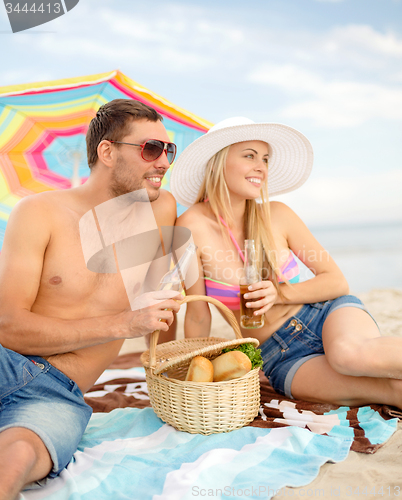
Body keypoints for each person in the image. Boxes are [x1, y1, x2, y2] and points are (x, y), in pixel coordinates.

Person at [0, 99, 181, 499]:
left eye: (169, 150)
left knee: (16, 460)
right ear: (107, 152)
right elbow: (9, 327)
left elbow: (166, 307)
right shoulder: (39, 212)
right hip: (5, 361)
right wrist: (124, 324)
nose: (164, 162)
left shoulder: (161, 210)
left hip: (59, 392)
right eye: (151, 149)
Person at [172, 116, 402, 410]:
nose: (261, 167)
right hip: (279, 355)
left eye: (265, 159)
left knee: (348, 355)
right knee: (391, 390)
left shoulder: (278, 214)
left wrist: (278, 293)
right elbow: (197, 315)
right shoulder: (190, 227)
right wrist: (197, 380)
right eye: (250, 156)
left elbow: (335, 281)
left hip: (326, 317)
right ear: (218, 162)